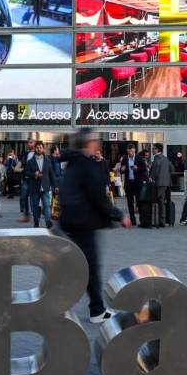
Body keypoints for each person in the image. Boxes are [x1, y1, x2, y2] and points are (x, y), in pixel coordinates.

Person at [58, 129, 131, 323]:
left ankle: (86, 307)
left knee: (80, 265)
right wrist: (119, 215)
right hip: (83, 221)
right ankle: (96, 310)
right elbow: (98, 196)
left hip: (71, 221)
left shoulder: (73, 162)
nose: (98, 143)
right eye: (95, 140)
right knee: (90, 267)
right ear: (89, 143)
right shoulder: (86, 164)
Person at [26, 142, 58, 229]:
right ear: (35, 149)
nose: (39, 149)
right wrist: (34, 174)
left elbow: (51, 174)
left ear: (43, 149)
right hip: (34, 187)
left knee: (46, 205)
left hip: (45, 187)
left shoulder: (47, 161)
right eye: (37, 147)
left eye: (40, 147)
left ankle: (48, 222)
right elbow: (26, 173)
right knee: (35, 206)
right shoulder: (30, 162)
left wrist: (56, 186)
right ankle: (36, 221)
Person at [119, 143, 146, 220]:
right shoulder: (124, 158)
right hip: (129, 183)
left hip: (137, 183)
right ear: (127, 151)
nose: (131, 153)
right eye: (129, 152)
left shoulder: (139, 158)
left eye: (132, 152)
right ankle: (132, 219)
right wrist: (122, 169)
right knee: (130, 202)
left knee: (139, 201)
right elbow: (121, 170)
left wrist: (137, 168)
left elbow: (144, 169)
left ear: (134, 151)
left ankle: (141, 219)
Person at [149, 144, 172, 228]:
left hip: (158, 183)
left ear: (157, 150)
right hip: (166, 183)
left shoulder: (157, 158)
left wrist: (152, 177)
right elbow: (171, 168)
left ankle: (157, 221)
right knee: (162, 202)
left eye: (153, 149)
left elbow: (156, 167)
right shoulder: (165, 158)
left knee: (157, 201)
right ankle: (162, 221)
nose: (152, 150)